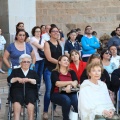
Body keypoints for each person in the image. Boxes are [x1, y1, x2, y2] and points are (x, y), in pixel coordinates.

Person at [7, 54, 39, 120]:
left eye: (28, 62)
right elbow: (9, 79)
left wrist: (29, 80)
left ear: (30, 63)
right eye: (24, 61)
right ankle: (16, 118)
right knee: (17, 99)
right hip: (17, 89)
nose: (26, 63)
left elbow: (38, 81)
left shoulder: (33, 72)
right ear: (20, 63)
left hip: (30, 89)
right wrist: (17, 78)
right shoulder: (15, 71)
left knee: (31, 99)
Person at [51, 55, 78, 120]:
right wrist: (70, 83)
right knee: (66, 100)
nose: (66, 61)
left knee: (76, 100)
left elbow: (76, 82)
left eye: (67, 60)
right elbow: (57, 83)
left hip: (70, 92)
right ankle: (66, 118)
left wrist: (69, 86)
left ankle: (76, 117)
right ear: (59, 62)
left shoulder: (71, 72)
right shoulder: (54, 72)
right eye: (64, 60)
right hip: (57, 93)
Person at [43, 26, 62, 119]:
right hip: (49, 70)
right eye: (53, 31)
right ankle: (45, 111)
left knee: (56, 90)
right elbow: (49, 58)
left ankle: (53, 109)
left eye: (57, 31)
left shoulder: (60, 42)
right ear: (49, 33)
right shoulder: (47, 43)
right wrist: (60, 62)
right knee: (48, 91)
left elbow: (62, 55)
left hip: (58, 71)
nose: (55, 32)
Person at [30, 26, 45, 94]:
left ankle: (37, 90)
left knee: (40, 75)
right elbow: (41, 47)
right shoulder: (32, 39)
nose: (38, 33)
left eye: (39, 31)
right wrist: (44, 47)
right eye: (36, 31)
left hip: (42, 59)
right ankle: (33, 89)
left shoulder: (43, 39)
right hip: (35, 59)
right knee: (34, 75)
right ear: (34, 32)